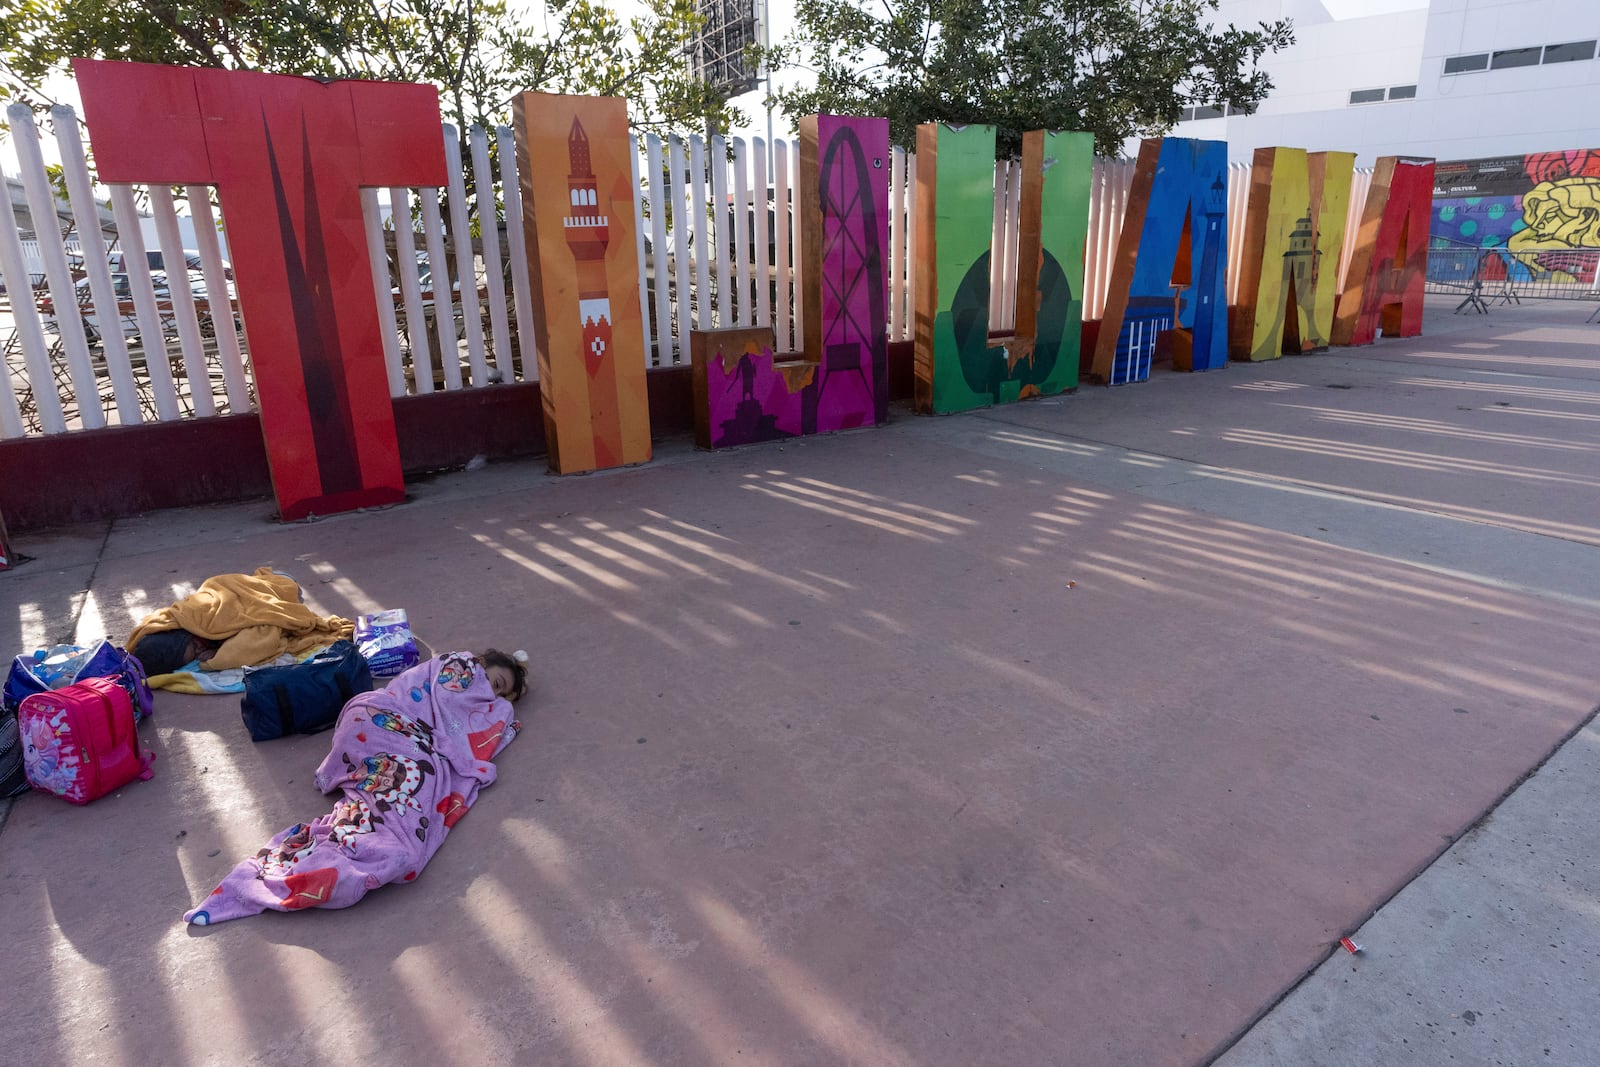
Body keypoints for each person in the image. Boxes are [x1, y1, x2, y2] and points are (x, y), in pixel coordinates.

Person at [184, 647, 530, 925]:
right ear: (481, 662)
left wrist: (500, 710)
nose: (490, 692)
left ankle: (347, 855)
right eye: (494, 680)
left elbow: (477, 729)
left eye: (501, 693)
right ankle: (347, 856)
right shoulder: (459, 664)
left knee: (415, 793)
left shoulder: (489, 702)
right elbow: (448, 700)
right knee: (417, 778)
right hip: (380, 717)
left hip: (411, 738)